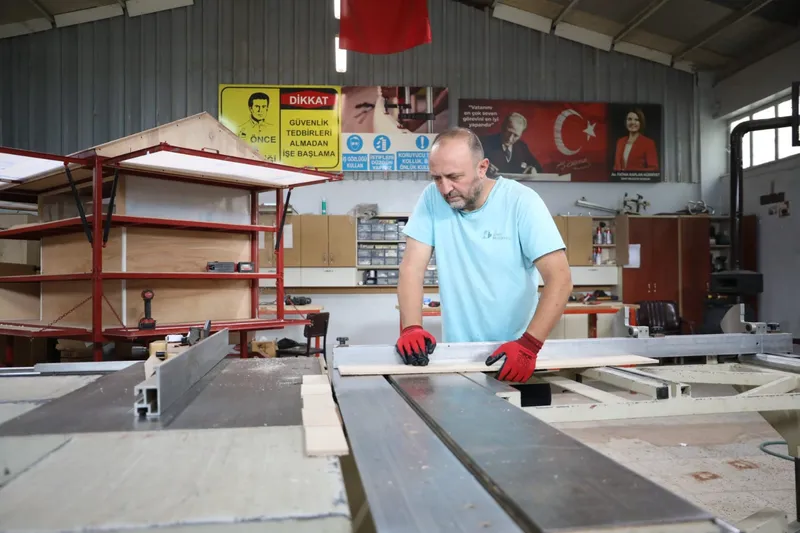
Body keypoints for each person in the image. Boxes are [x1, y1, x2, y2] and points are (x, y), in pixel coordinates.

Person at [395, 127, 573, 385]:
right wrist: (412, 327)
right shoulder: (432, 199)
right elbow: (411, 268)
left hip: (516, 355)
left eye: (454, 177)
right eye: (437, 178)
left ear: (482, 168)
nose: (445, 188)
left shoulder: (521, 202)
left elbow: (560, 279)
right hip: (459, 358)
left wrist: (529, 345)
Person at [480, 112, 543, 177]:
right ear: (503, 127)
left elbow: (538, 167)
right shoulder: (484, 142)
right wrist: (483, 167)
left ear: (521, 135)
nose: (510, 138)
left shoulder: (522, 147)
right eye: (509, 132)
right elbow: (474, 165)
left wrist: (533, 169)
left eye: (516, 135)